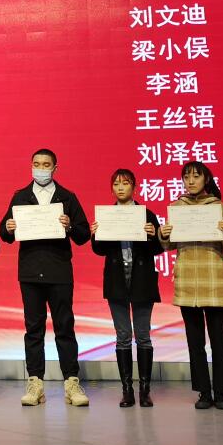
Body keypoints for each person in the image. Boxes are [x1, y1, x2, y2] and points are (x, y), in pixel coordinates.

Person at [0, 148, 92, 407]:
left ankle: (71, 383)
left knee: (65, 327)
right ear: (31, 166)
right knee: (33, 330)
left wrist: (69, 225)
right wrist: (8, 227)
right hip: (30, 273)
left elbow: (84, 234)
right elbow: (4, 233)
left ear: (55, 168)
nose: (41, 168)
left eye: (46, 164)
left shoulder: (67, 197)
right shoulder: (20, 196)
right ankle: (35, 384)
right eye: (37, 164)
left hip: (59, 271)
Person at [159, 160, 223, 411]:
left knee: (219, 342)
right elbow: (168, 245)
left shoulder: (218, 207)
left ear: (206, 179)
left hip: (214, 282)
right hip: (188, 285)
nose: (191, 181)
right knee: (195, 343)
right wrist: (164, 234)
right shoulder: (176, 207)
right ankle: (204, 392)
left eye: (196, 176)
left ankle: (220, 393)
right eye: (186, 177)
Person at [89, 169, 163, 407]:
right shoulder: (107, 215)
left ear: (134, 187)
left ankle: (145, 390)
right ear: (112, 188)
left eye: (126, 183)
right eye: (116, 184)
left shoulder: (146, 214)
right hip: (117, 282)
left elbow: (159, 249)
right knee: (122, 337)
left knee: (143, 336)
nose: (120, 187)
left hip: (142, 282)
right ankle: (127, 390)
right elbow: (99, 250)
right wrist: (95, 235)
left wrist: (153, 235)